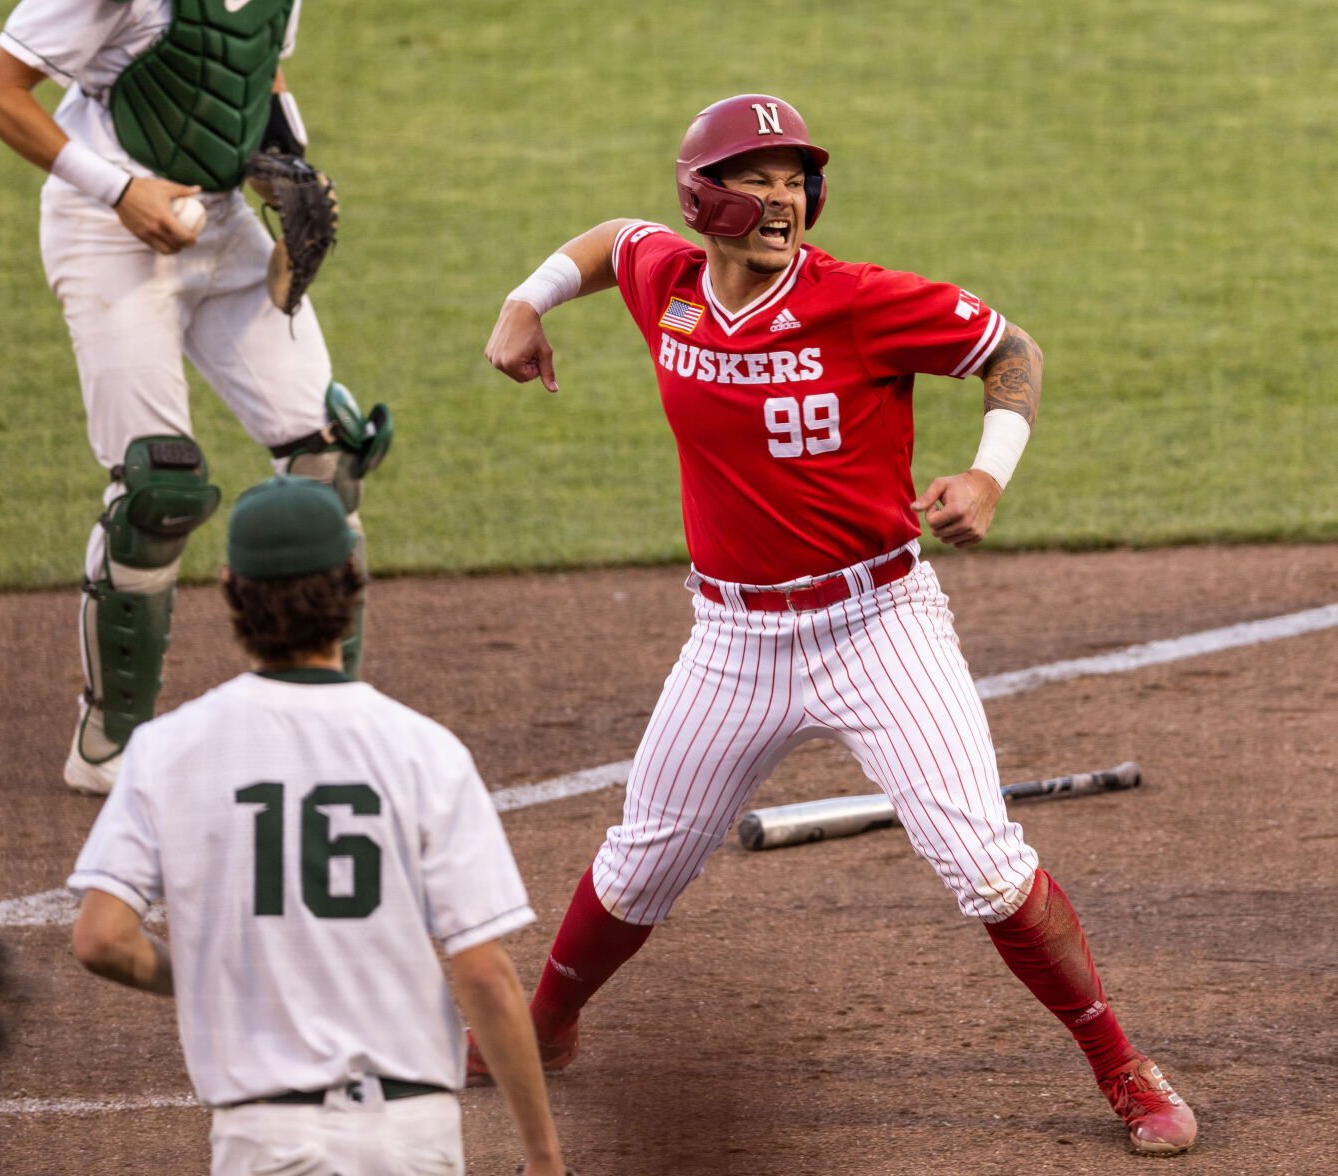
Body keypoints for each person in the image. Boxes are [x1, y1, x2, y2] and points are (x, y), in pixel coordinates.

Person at [470, 93, 1197, 1156]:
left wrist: (988, 477)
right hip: (731, 639)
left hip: (877, 625)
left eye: (794, 179)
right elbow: (606, 243)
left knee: (984, 865)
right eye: (755, 178)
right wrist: (520, 304)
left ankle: (1123, 1068)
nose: (781, 199)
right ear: (699, 196)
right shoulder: (664, 282)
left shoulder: (861, 303)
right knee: (639, 864)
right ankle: (547, 1025)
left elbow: (1011, 352)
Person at [68, 475, 568, 1175]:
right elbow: (483, 975)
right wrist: (544, 1164)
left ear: (231, 589)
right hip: (410, 1137)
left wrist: (219, 981)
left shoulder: (166, 751)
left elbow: (102, 941)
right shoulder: (422, 749)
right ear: (352, 585)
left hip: (265, 1141)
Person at [0, 0, 390, 797]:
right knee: (158, 489)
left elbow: (256, 67)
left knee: (328, 461)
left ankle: (331, 724)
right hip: (106, 232)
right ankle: (107, 744)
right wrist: (122, 189)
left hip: (224, 228)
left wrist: (286, 158)